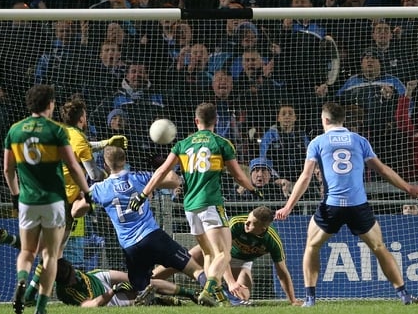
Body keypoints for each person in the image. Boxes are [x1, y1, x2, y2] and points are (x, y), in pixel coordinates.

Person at [273, 102, 418, 307]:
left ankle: (309, 299)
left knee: (311, 246)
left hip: (331, 205)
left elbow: (306, 177)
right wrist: (408, 188)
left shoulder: (318, 142)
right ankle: (403, 294)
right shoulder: (359, 140)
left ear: (324, 120)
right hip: (357, 205)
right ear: (343, 120)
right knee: (379, 247)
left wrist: (288, 207)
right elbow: (383, 170)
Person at [128, 102, 260, 306]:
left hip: (190, 207)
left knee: (208, 253)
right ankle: (209, 289)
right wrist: (253, 190)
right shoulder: (221, 143)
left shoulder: (183, 144)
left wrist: (142, 195)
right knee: (223, 254)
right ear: (216, 121)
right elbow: (239, 176)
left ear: (196, 121)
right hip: (210, 204)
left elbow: (162, 171)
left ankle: (216, 296)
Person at [3, 84, 92, 314]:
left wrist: (15, 196)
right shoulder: (56, 130)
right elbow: (73, 166)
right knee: (50, 255)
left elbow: (7, 169)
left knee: (27, 251)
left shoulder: (14, 130)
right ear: (50, 104)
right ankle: (40, 308)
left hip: (27, 201)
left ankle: (22, 281)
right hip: (53, 201)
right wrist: (87, 193)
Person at [75, 146, 204, 302]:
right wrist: (161, 166)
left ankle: (158, 300)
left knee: (139, 290)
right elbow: (174, 180)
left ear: (105, 165)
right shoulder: (139, 177)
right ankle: (215, 295)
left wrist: (79, 198)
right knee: (194, 269)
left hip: (131, 248)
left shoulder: (99, 189)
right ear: (125, 161)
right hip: (153, 236)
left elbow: (76, 212)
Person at [155, 206, 300, 306]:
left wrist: (292, 300)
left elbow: (282, 272)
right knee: (182, 260)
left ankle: (210, 296)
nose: (247, 223)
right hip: (217, 251)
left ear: (263, 228)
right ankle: (145, 281)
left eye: (251, 223)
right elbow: (222, 254)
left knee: (242, 294)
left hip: (242, 262)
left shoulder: (272, 240)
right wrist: (230, 282)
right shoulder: (236, 224)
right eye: (248, 219)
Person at [53, 257, 190, 306]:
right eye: (72, 274)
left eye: (73, 269)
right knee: (136, 303)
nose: (75, 273)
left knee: (143, 282)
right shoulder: (67, 293)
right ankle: (156, 300)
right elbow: (92, 305)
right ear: (66, 281)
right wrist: (114, 290)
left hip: (98, 278)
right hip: (103, 298)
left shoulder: (65, 268)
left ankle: (190, 294)